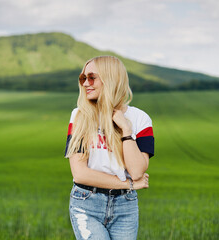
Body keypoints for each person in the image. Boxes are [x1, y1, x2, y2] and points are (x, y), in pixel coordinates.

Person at [64, 55, 154, 240]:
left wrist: (126, 129)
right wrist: (128, 184)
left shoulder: (140, 120)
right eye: (83, 78)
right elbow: (80, 173)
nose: (85, 83)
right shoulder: (80, 116)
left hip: (125, 207)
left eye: (92, 77)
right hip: (86, 202)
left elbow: (136, 171)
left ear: (111, 79)